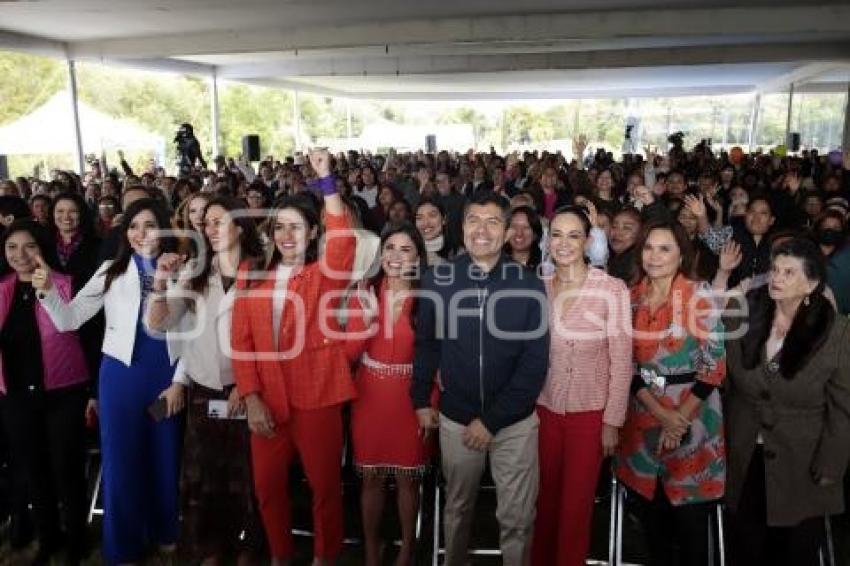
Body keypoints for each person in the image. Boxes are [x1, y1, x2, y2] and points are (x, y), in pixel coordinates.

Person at [33, 198, 185, 565]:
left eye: (149, 225)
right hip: (120, 378)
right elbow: (69, 320)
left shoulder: (184, 269)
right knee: (121, 461)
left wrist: (180, 381)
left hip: (166, 378)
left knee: (165, 457)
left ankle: (165, 531)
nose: (140, 234)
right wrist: (48, 290)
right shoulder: (110, 271)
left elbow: (189, 335)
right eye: (133, 226)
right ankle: (124, 545)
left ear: (163, 228)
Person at [230, 149, 356, 565]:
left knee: (324, 489)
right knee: (267, 490)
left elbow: (343, 239)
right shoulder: (251, 274)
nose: (287, 236)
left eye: (296, 227)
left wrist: (326, 180)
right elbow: (242, 341)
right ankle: (281, 556)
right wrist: (250, 397)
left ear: (312, 233)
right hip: (266, 402)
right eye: (279, 227)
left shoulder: (325, 273)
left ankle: (325, 557)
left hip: (316, 399)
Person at [412, 192, 550, 566]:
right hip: (456, 419)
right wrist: (421, 399)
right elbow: (427, 344)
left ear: (506, 232)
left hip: (515, 424)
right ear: (462, 228)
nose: (482, 230)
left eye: (493, 222)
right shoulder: (438, 280)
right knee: (457, 512)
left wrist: (491, 421)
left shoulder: (528, 286)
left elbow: (534, 364)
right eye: (474, 221)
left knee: (518, 519)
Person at [145, 196, 266, 564]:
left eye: (219, 221)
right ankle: (209, 550)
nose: (210, 229)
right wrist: (161, 282)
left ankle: (246, 550)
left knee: (245, 482)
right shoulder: (196, 271)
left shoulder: (261, 272)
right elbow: (159, 323)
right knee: (204, 481)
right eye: (207, 223)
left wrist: (249, 389)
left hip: (249, 393)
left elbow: (274, 337)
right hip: (203, 393)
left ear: (241, 227)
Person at [724, 238, 850, 566]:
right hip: (745, 453)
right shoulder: (743, 316)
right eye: (775, 270)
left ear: (811, 284)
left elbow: (843, 407)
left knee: (793, 551)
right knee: (746, 546)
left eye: (789, 273)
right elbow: (727, 379)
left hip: (804, 462)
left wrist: (831, 465)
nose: (777, 278)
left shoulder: (836, 333)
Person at [615, 220, 727, 566]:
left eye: (665, 248)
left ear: (682, 255)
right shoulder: (629, 298)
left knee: (692, 531)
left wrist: (677, 420)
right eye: (648, 247)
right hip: (642, 420)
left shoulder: (699, 295)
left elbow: (715, 365)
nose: (655, 256)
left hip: (694, 423)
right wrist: (662, 415)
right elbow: (625, 364)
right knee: (653, 529)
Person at [532, 206, 632, 566]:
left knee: (575, 509)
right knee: (542, 503)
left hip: (590, 417)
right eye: (556, 234)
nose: (564, 243)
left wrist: (612, 421)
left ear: (588, 241)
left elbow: (623, 359)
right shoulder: (538, 287)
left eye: (574, 235)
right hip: (542, 412)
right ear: (547, 241)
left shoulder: (611, 288)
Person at [0, 220, 91, 565]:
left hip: (64, 393)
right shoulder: (3, 289)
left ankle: (77, 540)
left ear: (43, 247)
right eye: (12, 248)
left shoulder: (67, 284)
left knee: (66, 469)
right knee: (33, 469)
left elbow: (85, 336)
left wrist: (49, 289)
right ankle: (48, 537)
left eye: (29, 247)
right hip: (17, 396)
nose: (21, 255)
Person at [344, 223, 433, 566]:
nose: (396, 256)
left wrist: (430, 402)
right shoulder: (364, 291)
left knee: (408, 480)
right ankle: (371, 548)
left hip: (413, 398)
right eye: (390, 248)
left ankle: (407, 550)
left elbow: (435, 354)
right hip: (369, 395)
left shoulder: (428, 298)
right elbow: (348, 356)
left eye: (405, 249)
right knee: (371, 478)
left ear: (417, 257)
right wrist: (364, 321)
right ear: (380, 254)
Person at [414, 197, 459, 266]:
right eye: (420, 218)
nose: (426, 223)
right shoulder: (411, 252)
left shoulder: (458, 252)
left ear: (444, 219)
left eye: (432, 215)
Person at [504, 205, 544, 270]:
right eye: (514, 226)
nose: (519, 233)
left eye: (526, 227)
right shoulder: (494, 262)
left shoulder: (545, 265)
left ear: (535, 234)